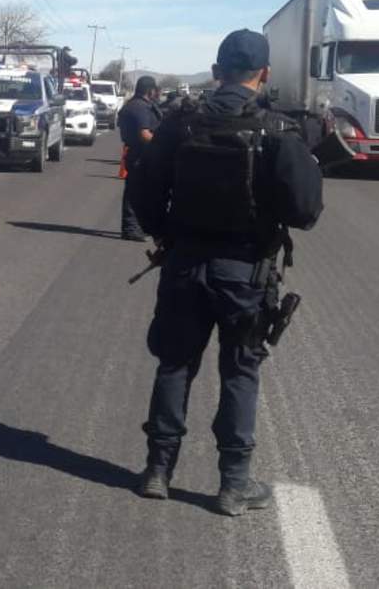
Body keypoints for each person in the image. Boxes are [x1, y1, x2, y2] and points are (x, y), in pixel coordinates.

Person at [130, 29, 323, 516]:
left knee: (175, 365)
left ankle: (157, 471)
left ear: (217, 72)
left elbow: (143, 192)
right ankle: (233, 485)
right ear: (265, 74)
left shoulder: (180, 123)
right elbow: (305, 211)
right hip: (246, 271)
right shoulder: (278, 130)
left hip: (183, 262)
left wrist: (165, 233)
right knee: (239, 370)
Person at [116, 75, 163, 241]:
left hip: (139, 153)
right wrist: (163, 144)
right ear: (150, 90)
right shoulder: (139, 107)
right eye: (154, 90)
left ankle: (138, 227)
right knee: (135, 192)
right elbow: (144, 134)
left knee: (140, 191)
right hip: (140, 155)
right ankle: (131, 229)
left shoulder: (135, 104)